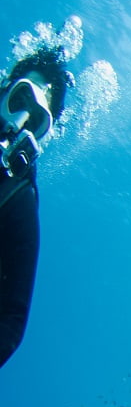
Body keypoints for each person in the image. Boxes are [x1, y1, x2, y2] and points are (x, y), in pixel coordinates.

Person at [0, 45, 70, 367]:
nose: (19, 121)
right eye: (19, 101)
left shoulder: (17, 196)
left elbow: (11, 322)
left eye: (36, 119)